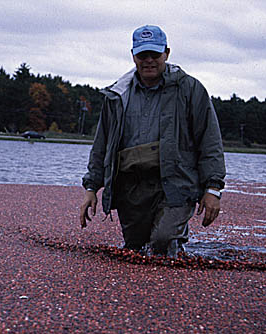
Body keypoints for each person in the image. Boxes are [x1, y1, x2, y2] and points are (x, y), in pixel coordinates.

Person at [79, 25, 226, 257]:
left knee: (162, 241)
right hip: (132, 188)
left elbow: (210, 142)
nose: (149, 60)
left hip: (177, 185)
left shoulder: (191, 90)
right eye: (142, 55)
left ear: (166, 53)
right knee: (134, 250)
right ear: (133, 55)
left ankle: (174, 239)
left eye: (155, 55)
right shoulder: (117, 95)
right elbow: (101, 145)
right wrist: (91, 188)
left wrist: (213, 188)